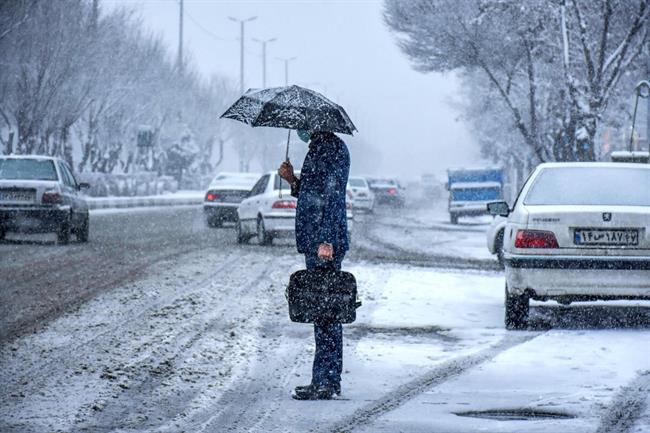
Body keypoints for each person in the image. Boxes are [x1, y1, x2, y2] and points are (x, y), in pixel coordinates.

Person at [278, 129, 350, 400]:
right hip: (316, 240)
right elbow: (312, 193)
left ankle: (327, 380)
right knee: (323, 312)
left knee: (327, 312)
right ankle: (323, 378)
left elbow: (332, 196)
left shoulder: (330, 149)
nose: (300, 130)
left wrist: (327, 240)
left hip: (323, 244)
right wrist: (292, 181)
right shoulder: (319, 148)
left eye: (304, 124)